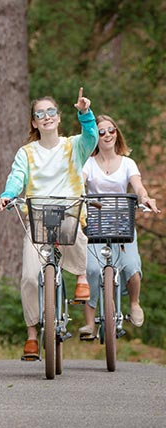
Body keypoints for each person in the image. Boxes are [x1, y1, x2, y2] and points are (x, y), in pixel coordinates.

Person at [0, 88, 98, 359]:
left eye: (51, 112)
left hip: (68, 213)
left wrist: (85, 113)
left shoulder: (74, 145)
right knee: (30, 276)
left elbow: (92, 137)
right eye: (40, 114)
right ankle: (32, 335)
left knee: (75, 228)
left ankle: (80, 276)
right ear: (34, 122)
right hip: (38, 217)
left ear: (59, 117)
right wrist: (8, 195)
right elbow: (17, 177)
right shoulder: (26, 152)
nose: (46, 117)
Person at [78, 115, 160, 338]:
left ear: (117, 133)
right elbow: (79, 183)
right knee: (92, 270)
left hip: (122, 224)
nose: (107, 135)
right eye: (102, 132)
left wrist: (146, 199)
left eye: (111, 130)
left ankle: (134, 303)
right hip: (95, 225)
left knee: (132, 267)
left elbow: (138, 187)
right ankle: (89, 324)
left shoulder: (127, 163)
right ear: (96, 136)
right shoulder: (88, 163)